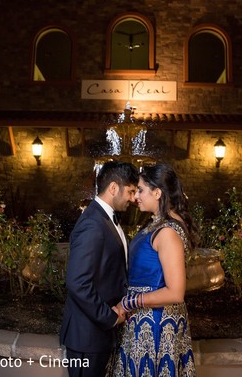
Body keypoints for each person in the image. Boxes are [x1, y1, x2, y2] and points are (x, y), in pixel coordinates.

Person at [111, 163, 197, 377]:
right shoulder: (158, 223)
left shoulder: (167, 231)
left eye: (140, 190)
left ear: (157, 192)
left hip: (157, 325)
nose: (135, 196)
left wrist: (127, 303)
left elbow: (175, 292)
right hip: (144, 320)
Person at [60, 160, 139, 377]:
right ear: (113, 188)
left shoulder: (107, 219)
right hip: (87, 336)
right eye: (130, 191)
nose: (133, 198)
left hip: (98, 334)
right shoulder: (93, 224)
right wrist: (109, 317)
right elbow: (77, 282)